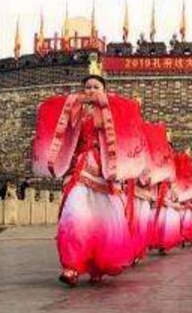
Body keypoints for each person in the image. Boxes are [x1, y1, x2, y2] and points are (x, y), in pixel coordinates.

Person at [32, 68, 148, 286]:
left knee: (103, 221)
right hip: (81, 167)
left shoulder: (111, 110)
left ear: (104, 90)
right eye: (87, 87)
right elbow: (55, 116)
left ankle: (98, 266)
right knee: (74, 212)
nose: (91, 90)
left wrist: (107, 105)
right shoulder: (77, 110)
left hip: (105, 171)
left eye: (96, 87)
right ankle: (71, 266)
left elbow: (129, 116)